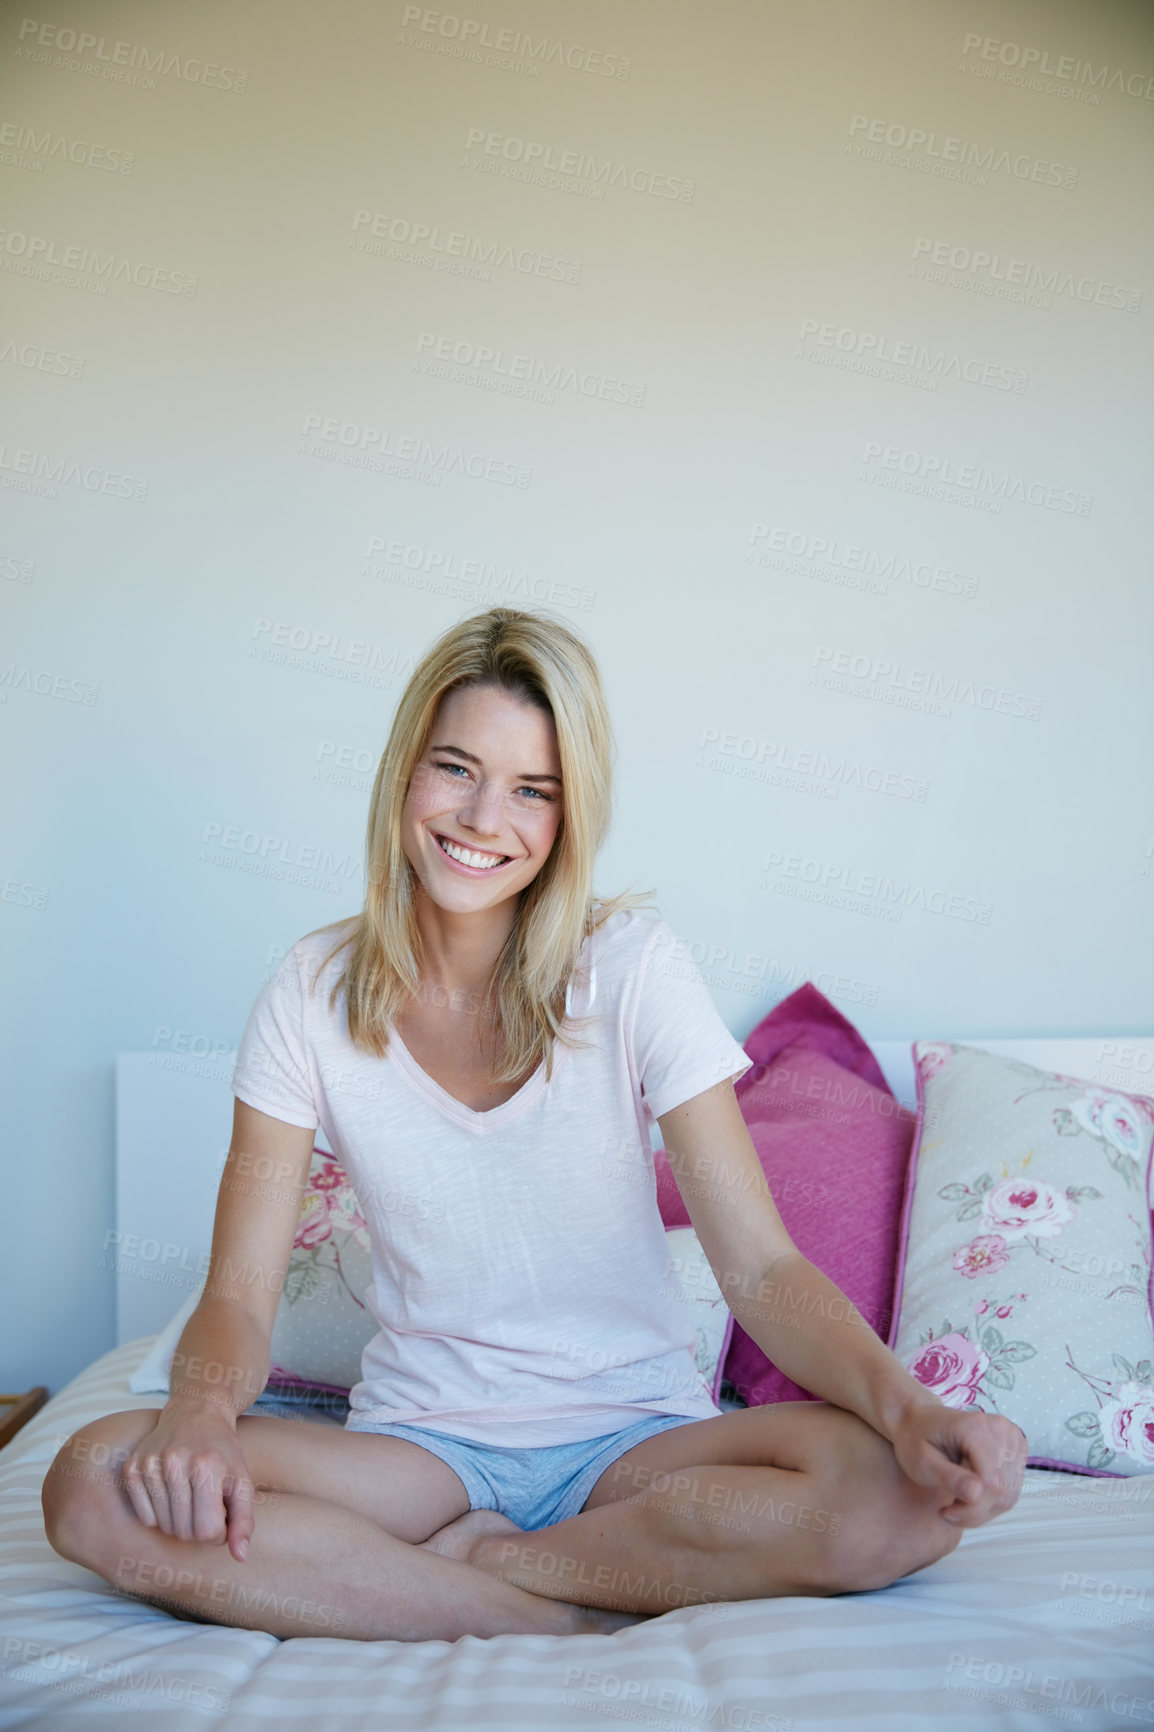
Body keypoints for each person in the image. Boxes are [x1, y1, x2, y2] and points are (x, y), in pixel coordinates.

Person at [43, 606, 1026, 1642]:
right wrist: (196, 1421)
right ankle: (542, 1614)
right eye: (455, 769)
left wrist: (912, 1408)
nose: (481, 818)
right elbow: (238, 1294)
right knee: (94, 1479)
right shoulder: (309, 989)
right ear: (403, 774)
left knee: (896, 1498)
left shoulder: (633, 968)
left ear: (569, 816)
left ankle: (493, 1565)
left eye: (531, 790)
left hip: (635, 1442)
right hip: (420, 1452)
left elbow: (762, 1272)